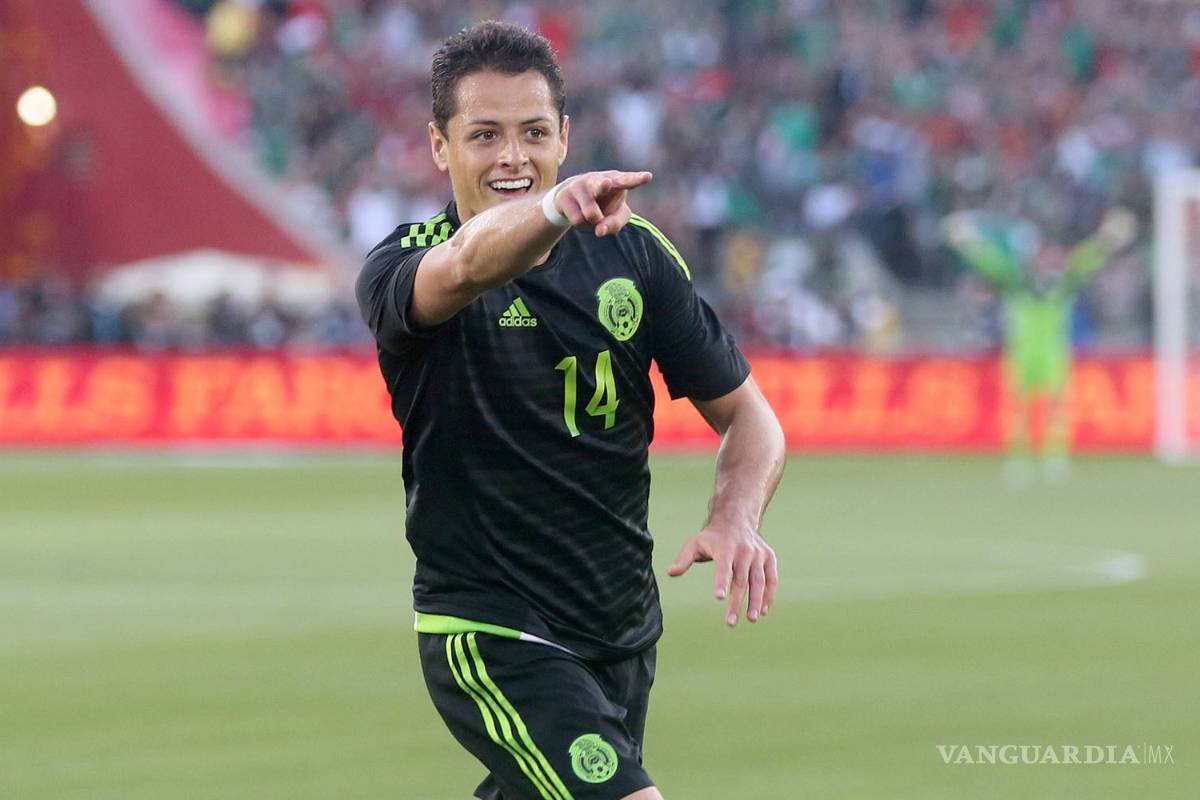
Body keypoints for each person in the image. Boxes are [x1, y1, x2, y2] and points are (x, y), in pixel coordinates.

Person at [355, 21, 786, 800]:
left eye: (533, 132)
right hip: (493, 628)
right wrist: (553, 209)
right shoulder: (403, 266)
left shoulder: (635, 253)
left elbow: (750, 417)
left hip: (621, 630)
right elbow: (469, 263)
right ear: (439, 147)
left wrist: (735, 516)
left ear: (565, 136)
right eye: (484, 135)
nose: (512, 157)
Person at [942, 206, 1137, 483]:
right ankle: (1019, 459)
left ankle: (1054, 458)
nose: (1046, 260)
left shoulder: (1064, 282)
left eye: (1050, 255)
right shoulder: (1016, 281)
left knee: (1057, 407)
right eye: (1042, 255)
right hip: (1021, 353)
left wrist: (1109, 238)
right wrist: (966, 239)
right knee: (1019, 409)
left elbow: (1087, 260)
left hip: (1054, 354)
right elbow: (989, 262)